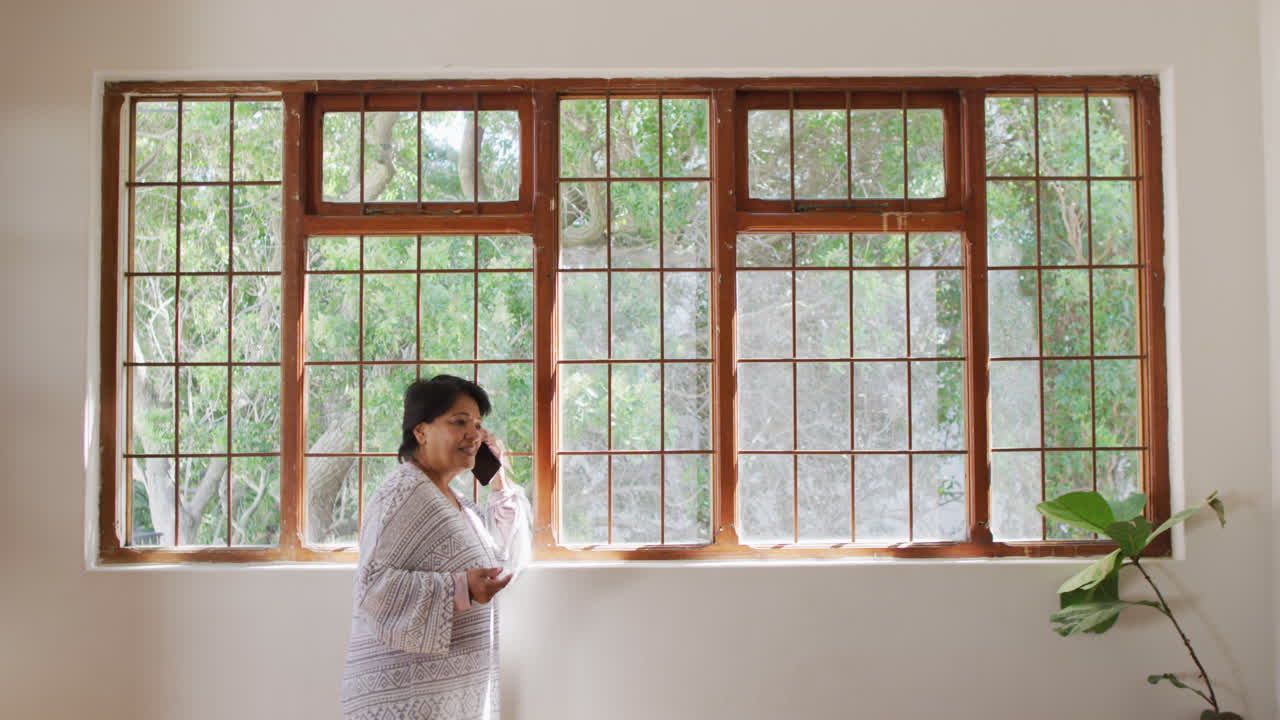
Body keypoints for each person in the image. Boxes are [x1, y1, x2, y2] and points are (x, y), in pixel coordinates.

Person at [341, 375, 531, 720]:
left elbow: (503, 558)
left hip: (446, 698)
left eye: (477, 425)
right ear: (421, 431)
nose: (474, 434)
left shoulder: (452, 501)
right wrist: (463, 588)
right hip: (407, 699)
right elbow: (372, 588)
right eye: (458, 422)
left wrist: (498, 479)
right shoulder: (405, 493)